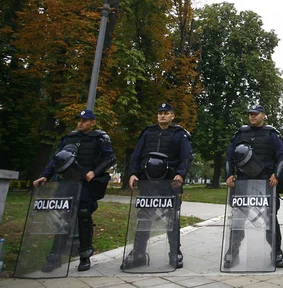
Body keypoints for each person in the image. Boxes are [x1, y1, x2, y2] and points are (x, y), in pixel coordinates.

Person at [33, 109, 116, 272]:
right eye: (79, 120)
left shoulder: (99, 139)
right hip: (66, 183)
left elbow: (110, 158)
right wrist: (45, 176)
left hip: (86, 184)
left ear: (92, 123)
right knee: (61, 218)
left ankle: (85, 256)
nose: (80, 123)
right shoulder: (69, 138)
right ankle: (54, 257)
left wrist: (94, 172)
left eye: (85, 120)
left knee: (84, 215)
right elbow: (56, 159)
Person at [121, 103, 193, 269]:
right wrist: (132, 173)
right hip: (147, 181)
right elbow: (136, 155)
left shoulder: (179, 134)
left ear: (172, 116)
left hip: (169, 182)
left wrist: (181, 174)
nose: (162, 116)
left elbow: (187, 157)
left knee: (172, 218)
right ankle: (138, 253)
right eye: (160, 113)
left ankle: (175, 253)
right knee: (144, 217)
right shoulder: (148, 132)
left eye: (166, 113)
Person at [224, 105, 283, 268]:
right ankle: (233, 251)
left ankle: (276, 251)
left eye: (256, 114)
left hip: (266, 181)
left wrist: (277, 174)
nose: (252, 117)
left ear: (263, 115)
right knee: (238, 219)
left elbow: (282, 155)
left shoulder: (271, 134)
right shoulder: (241, 133)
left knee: (270, 218)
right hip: (244, 181)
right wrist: (229, 174)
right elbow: (229, 156)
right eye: (250, 114)